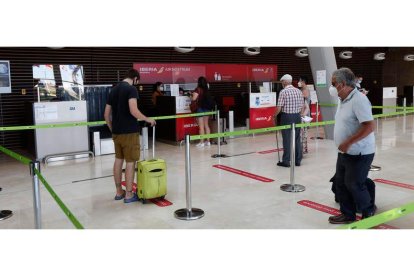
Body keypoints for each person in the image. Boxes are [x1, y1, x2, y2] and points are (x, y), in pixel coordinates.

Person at [328, 67, 376, 224]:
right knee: (341, 184)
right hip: (344, 152)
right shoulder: (342, 99)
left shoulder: (359, 100)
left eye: (333, 83)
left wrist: (348, 142)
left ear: (342, 84)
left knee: (355, 185)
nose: (332, 87)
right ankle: (347, 215)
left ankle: (368, 212)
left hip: (360, 152)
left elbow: (369, 126)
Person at [104, 69, 156, 204]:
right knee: (131, 162)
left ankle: (118, 192)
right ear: (135, 79)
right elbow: (134, 110)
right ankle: (128, 194)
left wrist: (112, 128)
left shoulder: (113, 90)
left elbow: (106, 114)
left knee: (118, 160)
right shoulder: (131, 89)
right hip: (130, 132)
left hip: (117, 133)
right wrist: (147, 119)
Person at [275, 74, 304, 167]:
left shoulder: (283, 92)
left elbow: (279, 107)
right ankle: (298, 160)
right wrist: (299, 115)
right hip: (297, 116)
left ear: (284, 82)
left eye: (282, 82)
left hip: (287, 117)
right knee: (297, 139)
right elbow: (302, 106)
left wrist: (274, 115)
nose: (282, 83)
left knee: (287, 139)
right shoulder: (298, 91)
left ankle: (286, 161)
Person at [191, 76, 214, 147]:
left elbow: (194, 99)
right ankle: (208, 141)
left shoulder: (198, 89)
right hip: (207, 108)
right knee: (206, 125)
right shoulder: (207, 89)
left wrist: (191, 96)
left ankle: (202, 142)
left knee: (201, 127)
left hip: (200, 108)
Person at [298, 76, 310, 154]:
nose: (299, 82)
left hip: (304, 115)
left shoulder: (305, 90)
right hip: (302, 115)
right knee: (302, 133)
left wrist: (303, 114)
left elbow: (307, 107)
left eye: (300, 81)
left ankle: (303, 149)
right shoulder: (302, 90)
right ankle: (302, 148)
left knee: (303, 133)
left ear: (303, 81)